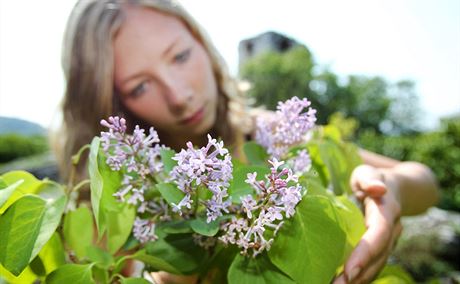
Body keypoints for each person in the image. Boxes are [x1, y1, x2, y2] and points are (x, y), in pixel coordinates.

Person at [54, 0, 439, 283]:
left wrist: (393, 190)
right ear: (111, 102)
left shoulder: (273, 135)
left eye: (181, 56)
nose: (179, 94)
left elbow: (426, 181)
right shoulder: (115, 197)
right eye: (140, 85)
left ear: (202, 44)